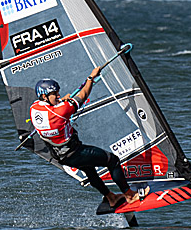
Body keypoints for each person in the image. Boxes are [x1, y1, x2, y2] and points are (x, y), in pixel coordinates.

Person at [29, 69, 145, 208]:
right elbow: (83, 95)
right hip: (75, 153)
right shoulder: (61, 111)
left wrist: (60, 102)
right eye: (55, 94)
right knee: (112, 160)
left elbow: (54, 109)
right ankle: (129, 195)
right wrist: (91, 78)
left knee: (89, 170)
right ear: (44, 96)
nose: (58, 95)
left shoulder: (34, 108)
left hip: (61, 156)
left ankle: (111, 197)